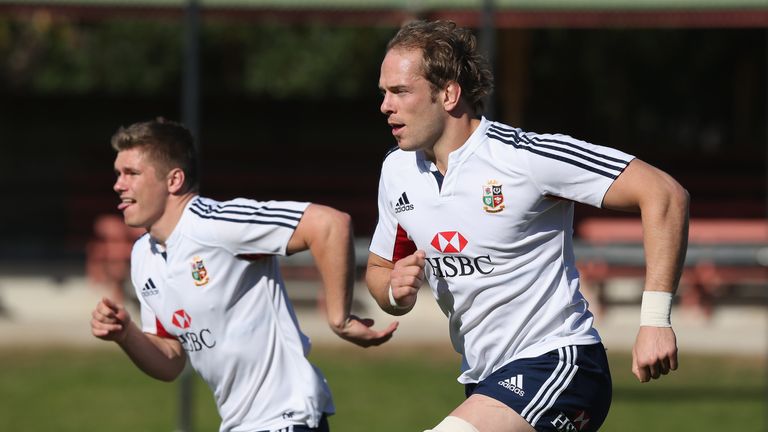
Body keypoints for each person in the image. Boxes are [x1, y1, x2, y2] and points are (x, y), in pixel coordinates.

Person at [367, 20, 689, 432]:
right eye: (384, 93)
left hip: (560, 365)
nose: (385, 106)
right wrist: (394, 292)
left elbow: (663, 194)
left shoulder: (524, 158)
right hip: (487, 381)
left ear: (448, 93)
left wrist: (656, 320)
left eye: (400, 91)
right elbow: (379, 271)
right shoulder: (397, 171)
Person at [90, 118, 398, 432]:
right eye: (118, 174)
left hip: (287, 419)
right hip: (240, 425)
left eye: (132, 173)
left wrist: (340, 319)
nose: (118, 184)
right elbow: (170, 359)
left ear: (174, 180)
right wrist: (126, 334)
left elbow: (330, 225)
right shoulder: (144, 255)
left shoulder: (216, 225)